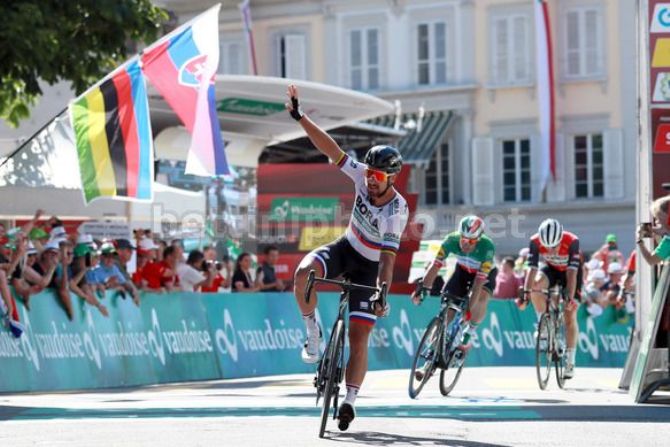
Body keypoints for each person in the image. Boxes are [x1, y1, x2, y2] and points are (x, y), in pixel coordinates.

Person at [287, 84, 408, 431]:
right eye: (369, 174)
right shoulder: (361, 175)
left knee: (359, 337)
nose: (370, 181)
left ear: (392, 178)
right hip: (345, 248)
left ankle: (350, 400)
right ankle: (313, 333)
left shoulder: (396, 211)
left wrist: (381, 294)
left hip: (370, 268)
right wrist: (300, 117)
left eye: (379, 177)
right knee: (302, 274)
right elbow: (332, 149)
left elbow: (386, 261)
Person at [411, 216, 497, 359]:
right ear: (459, 236)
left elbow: (478, 283)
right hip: (462, 271)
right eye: (463, 239)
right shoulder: (451, 240)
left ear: (479, 239)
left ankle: (470, 330)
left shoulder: (487, 247)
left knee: (480, 299)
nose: (466, 244)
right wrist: (423, 289)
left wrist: (468, 309)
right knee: (447, 309)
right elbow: (435, 266)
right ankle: (432, 351)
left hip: (483, 276)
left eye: (471, 241)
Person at [518, 219, 583, 380]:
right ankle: (544, 323)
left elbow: (572, 274)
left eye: (554, 246)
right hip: (552, 270)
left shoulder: (572, 241)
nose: (551, 250)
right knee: (534, 286)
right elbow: (532, 269)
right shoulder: (534, 241)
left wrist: (569, 297)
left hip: (571, 273)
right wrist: (526, 293)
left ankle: (570, 360)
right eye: (547, 247)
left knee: (570, 315)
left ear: (560, 239)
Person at [637, 195, 670, 265]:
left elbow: (651, 260)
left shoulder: (668, 242)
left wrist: (640, 242)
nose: (656, 222)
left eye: (658, 218)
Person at [114, 239, 140, 305]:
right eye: (128, 250)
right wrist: (134, 291)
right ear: (119, 251)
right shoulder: (114, 262)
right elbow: (126, 280)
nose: (131, 253)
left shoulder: (122, 264)